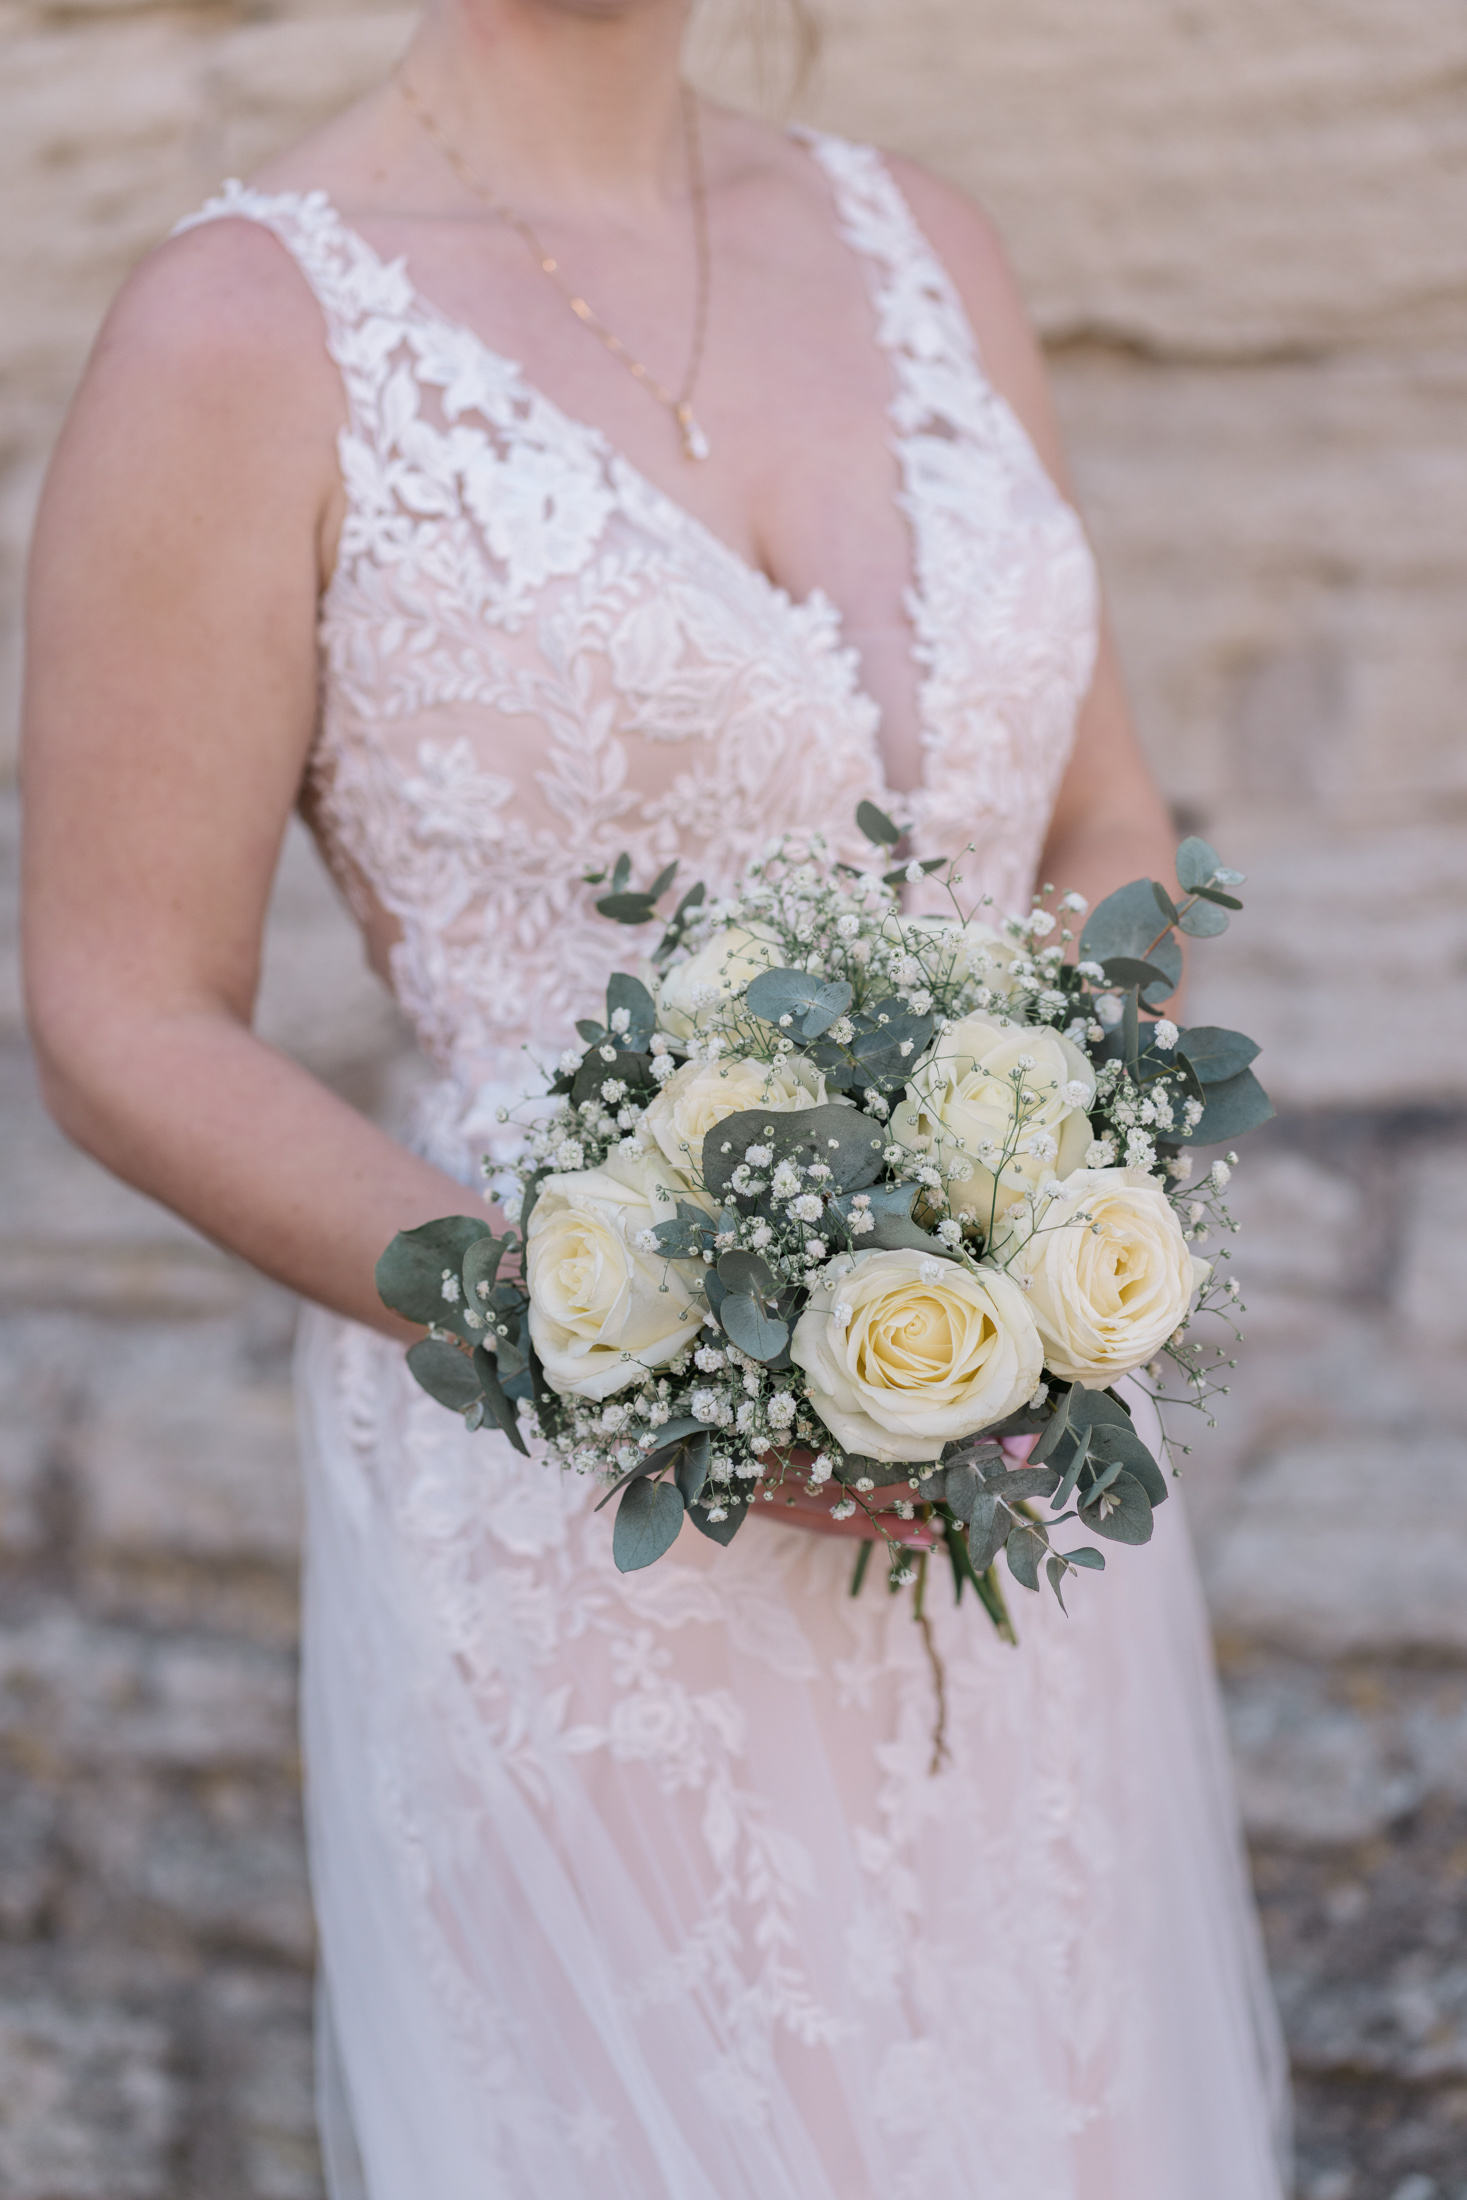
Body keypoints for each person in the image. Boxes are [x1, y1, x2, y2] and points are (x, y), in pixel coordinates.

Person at [21, 0, 1291, 2190]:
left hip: (999, 1458)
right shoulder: (243, 328)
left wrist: (1041, 1185)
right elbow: (125, 1012)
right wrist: (609, 1335)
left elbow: (1105, 830)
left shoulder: (930, 249)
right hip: (580, 1532)